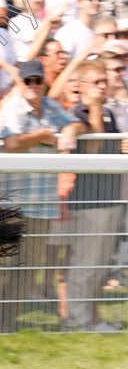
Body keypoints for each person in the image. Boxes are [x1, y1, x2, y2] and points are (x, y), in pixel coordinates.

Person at [0, 60, 87, 333]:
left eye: (37, 81)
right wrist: (44, 135)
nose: (32, 86)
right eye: (27, 81)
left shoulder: (52, 106)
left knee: (31, 268)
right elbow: (13, 143)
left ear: (43, 83)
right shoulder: (13, 106)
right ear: (21, 82)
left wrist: (69, 131)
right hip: (7, 203)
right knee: (0, 267)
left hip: (41, 204)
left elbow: (80, 124)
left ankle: (8, 324)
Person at [61, 59, 125, 332]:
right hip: (88, 202)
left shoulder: (109, 111)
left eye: (104, 81)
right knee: (85, 265)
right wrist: (95, 106)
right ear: (81, 85)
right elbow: (94, 147)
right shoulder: (79, 111)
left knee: (98, 266)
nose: (102, 86)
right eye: (96, 82)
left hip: (109, 200)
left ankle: (91, 319)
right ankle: (77, 322)